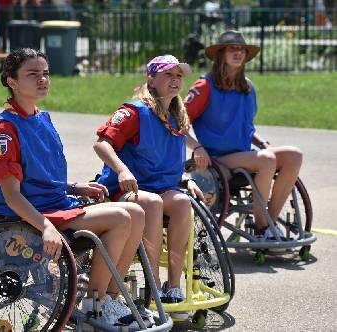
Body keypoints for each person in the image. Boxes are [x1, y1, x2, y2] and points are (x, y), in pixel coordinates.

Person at [0, 48, 146, 327]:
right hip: (27, 215)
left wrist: (75, 187)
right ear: (12, 81)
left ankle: (111, 300)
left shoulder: (41, 118)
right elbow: (11, 194)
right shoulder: (3, 130)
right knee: (120, 218)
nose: (42, 79)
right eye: (32, 74)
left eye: (45, 73)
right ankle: (97, 304)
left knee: (137, 211)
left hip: (55, 205)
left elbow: (38, 175)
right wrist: (46, 226)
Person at [93, 55, 206, 304]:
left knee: (182, 203)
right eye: (168, 74)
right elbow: (101, 144)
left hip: (162, 187)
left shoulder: (176, 114)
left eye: (178, 76)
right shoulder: (134, 111)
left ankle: (173, 285)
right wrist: (122, 170)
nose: (175, 80)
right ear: (151, 79)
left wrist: (186, 180)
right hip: (126, 189)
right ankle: (152, 284)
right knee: (153, 203)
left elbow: (171, 160)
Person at [185, 30, 303, 239]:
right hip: (216, 159)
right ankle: (262, 228)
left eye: (242, 49)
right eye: (233, 48)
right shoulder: (205, 86)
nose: (238, 53)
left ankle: (269, 223)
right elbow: (178, 122)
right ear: (221, 54)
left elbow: (247, 127)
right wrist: (197, 148)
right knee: (266, 160)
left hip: (245, 155)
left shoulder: (247, 87)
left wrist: (262, 142)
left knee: (294, 155)